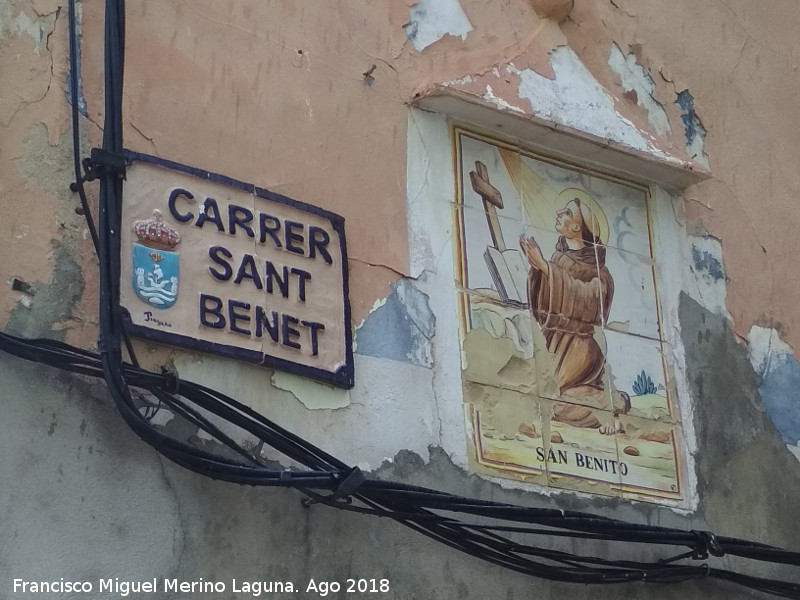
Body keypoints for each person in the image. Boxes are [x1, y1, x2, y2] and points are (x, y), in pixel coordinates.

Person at [520, 196, 626, 433]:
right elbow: (545, 305)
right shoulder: (560, 258)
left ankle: (605, 409)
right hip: (555, 343)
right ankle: (604, 401)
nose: (559, 213)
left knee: (551, 404)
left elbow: (589, 299)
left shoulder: (599, 271)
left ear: (577, 227)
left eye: (566, 212)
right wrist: (538, 270)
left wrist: (547, 269)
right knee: (536, 396)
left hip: (579, 350)